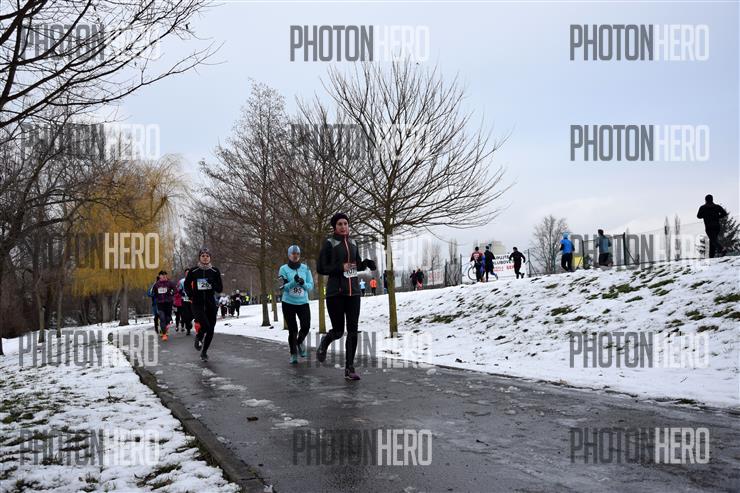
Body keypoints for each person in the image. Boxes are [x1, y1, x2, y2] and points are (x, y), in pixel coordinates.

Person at [316, 213, 377, 381]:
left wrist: (366, 263)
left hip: (354, 293)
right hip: (335, 293)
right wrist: (340, 267)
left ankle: (349, 368)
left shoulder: (354, 243)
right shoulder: (329, 243)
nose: (343, 226)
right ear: (334, 227)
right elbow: (321, 267)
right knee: (338, 331)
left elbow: (355, 266)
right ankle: (325, 343)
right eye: (340, 224)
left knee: (353, 331)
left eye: (345, 223)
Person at [184, 248, 223, 361]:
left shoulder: (215, 271)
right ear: (199, 258)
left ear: (210, 258)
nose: (205, 258)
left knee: (211, 329)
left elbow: (220, 289)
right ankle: (199, 337)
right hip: (197, 303)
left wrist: (213, 282)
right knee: (205, 325)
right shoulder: (193, 271)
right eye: (203, 256)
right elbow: (186, 285)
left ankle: (204, 352)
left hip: (211, 303)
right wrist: (191, 295)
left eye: (207, 256)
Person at [278, 245, 314, 364]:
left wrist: (303, 283)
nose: (295, 256)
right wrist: (294, 282)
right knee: (292, 330)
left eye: (297, 254)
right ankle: (293, 354)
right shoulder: (283, 269)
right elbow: (282, 287)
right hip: (288, 303)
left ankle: (299, 342)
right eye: (293, 254)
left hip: (303, 303)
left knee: (306, 326)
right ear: (289, 255)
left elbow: (310, 286)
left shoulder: (305, 268)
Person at [153, 271, 177, 341]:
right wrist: (157, 298)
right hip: (160, 304)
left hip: (168, 303)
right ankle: (164, 334)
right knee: (162, 318)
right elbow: (154, 293)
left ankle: (166, 326)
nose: (163, 276)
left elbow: (175, 290)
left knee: (167, 318)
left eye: (164, 275)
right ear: (159, 276)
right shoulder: (156, 284)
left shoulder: (170, 283)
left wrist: (171, 293)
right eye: (162, 275)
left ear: (166, 276)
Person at [178, 270, 193, 336]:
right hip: (185, 299)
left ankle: (190, 321)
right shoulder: (181, 281)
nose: (188, 274)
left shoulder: (194, 280)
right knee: (186, 315)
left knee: (192, 314)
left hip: (192, 299)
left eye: (189, 273)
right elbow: (179, 290)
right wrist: (182, 293)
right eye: (186, 273)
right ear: (185, 274)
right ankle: (188, 329)